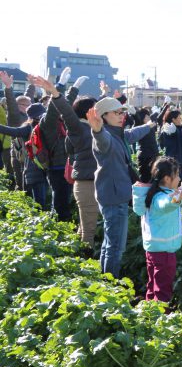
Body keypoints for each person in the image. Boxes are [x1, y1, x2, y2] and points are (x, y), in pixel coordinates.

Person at [88, 97, 157, 278]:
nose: (122, 116)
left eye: (122, 112)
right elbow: (102, 141)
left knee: (109, 243)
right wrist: (97, 129)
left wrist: (149, 126)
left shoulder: (118, 133)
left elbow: (133, 134)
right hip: (113, 196)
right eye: (117, 113)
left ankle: (104, 280)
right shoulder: (105, 135)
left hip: (113, 194)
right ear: (103, 116)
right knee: (115, 247)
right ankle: (111, 287)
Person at [34, 74, 98, 249]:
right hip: (56, 168)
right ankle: (59, 234)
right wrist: (60, 87)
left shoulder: (69, 124)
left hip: (69, 168)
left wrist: (70, 90)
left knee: (74, 206)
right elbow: (60, 108)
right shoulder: (48, 122)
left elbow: (66, 107)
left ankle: (70, 240)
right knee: (60, 201)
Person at [133, 156, 182, 302]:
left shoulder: (154, 193)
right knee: (163, 289)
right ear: (167, 179)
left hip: (153, 250)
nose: (179, 178)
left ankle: (148, 312)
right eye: (177, 175)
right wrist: (176, 199)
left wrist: (178, 194)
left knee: (152, 285)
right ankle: (161, 319)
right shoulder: (161, 198)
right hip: (164, 253)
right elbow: (166, 204)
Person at [0, 102, 48, 206]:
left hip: (36, 168)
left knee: (37, 201)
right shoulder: (29, 127)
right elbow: (13, 131)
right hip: (35, 169)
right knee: (39, 202)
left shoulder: (40, 127)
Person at [158, 108, 182, 179]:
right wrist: (170, 133)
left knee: (179, 181)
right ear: (173, 119)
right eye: (179, 118)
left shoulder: (179, 128)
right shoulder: (169, 129)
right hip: (173, 161)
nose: (181, 119)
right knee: (174, 181)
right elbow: (162, 142)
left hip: (181, 160)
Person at [133, 108, 159, 183]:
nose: (149, 118)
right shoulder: (140, 127)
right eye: (147, 116)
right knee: (145, 178)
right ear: (143, 118)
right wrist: (135, 114)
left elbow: (157, 115)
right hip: (145, 157)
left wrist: (157, 155)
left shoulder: (150, 127)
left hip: (153, 155)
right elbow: (136, 121)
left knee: (153, 178)